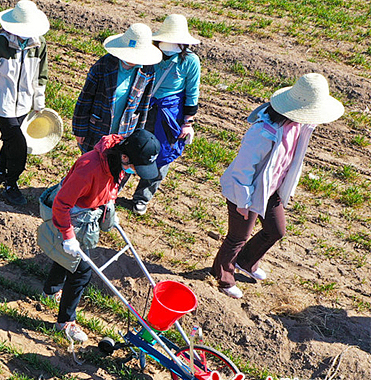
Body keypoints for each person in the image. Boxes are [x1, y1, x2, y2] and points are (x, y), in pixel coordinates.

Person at [211, 73, 344, 299]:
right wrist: (243, 202)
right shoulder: (262, 132)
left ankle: (246, 262)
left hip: (270, 190)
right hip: (246, 191)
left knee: (276, 230)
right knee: (237, 237)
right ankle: (223, 277)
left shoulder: (298, 125)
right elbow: (244, 168)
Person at [42, 129, 160, 342]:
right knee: (82, 270)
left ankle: (51, 290)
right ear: (125, 156)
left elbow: (110, 187)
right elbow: (61, 203)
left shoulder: (116, 162)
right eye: (136, 166)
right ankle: (65, 321)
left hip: (89, 210)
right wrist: (68, 236)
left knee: (69, 257)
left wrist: (109, 210)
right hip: (70, 214)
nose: (136, 171)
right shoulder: (90, 168)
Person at [127, 14, 201, 216]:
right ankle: (115, 186)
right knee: (128, 146)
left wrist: (188, 122)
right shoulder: (149, 53)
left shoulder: (190, 61)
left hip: (169, 115)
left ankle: (142, 197)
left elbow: (192, 93)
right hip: (142, 107)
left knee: (161, 156)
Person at [0, 0, 49, 206]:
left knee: (11, 138)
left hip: (25, 103)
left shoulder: (39, 44)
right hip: (3, 103)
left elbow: (40, 75)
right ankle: (11, 183)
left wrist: (38, 100)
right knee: (18, 142)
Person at [73, 23, 161, 154]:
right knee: (92, 166)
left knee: (115, 168)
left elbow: (143, 106)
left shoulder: (147, 71)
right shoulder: (104, 65)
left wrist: (139, 135)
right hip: (98, 128)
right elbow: (85, 98)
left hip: (125, 132)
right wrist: (79, 129)